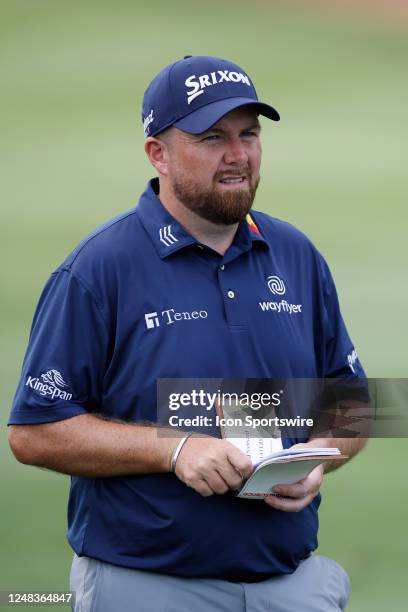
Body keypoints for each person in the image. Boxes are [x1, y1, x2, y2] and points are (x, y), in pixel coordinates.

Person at [8, 55, 367, 612]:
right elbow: (33, 432)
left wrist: (319, 455)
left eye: (249, 133)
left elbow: (353, 403)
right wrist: (174, 449)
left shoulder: (297, 255)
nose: (237, 155)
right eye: (211, 137)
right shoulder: (100, 269)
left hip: (291, 585)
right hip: (148, 586)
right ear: (159, 154)